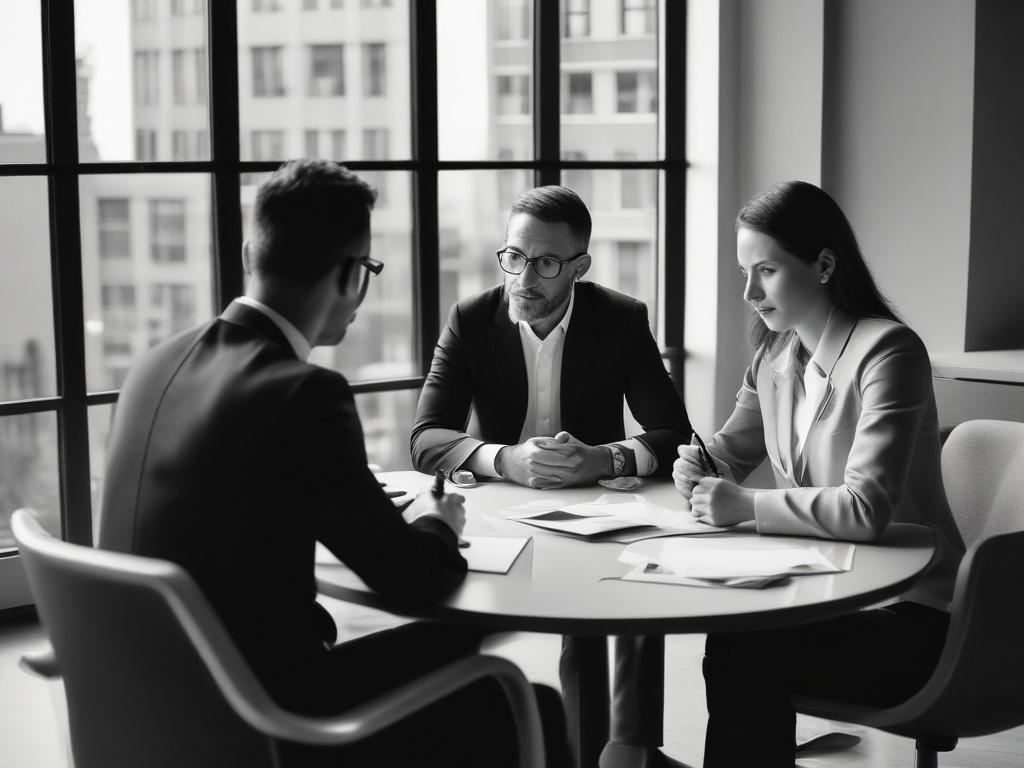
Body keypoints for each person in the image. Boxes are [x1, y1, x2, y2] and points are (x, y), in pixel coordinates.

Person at [97, 159, 570, 768]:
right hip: (267, 724)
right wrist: (440, 525)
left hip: (152, 712)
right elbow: (411, 579)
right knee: (531, 702)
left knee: (457, 640)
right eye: (369, 269)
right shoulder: (302, 393)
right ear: (351, 276)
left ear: (250, 253)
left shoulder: (155, 363)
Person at [672, 180, 965, 768]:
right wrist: (696, 465)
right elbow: (730, 452)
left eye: (767, 271)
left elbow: (865, 508)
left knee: (754, 649)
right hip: (830, 597)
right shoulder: (775, 358)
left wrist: (745, 507)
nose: (750, 291)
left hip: (915, 616)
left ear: (825, 264)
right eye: (743, 272)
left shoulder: (890, 353)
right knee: (731, 633)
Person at [412, 185, 693, 767]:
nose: (524, 277)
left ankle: (627, 749)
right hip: (498, 514)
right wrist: (503, 459)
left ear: (580, 266)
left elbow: (673, 433)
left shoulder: (620, 317)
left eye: (545, 263)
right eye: (514, 257)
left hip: (596, 507)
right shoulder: (471, 318)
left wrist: (605, 458)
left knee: (639, 579)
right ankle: (565, 748)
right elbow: (426, 439)